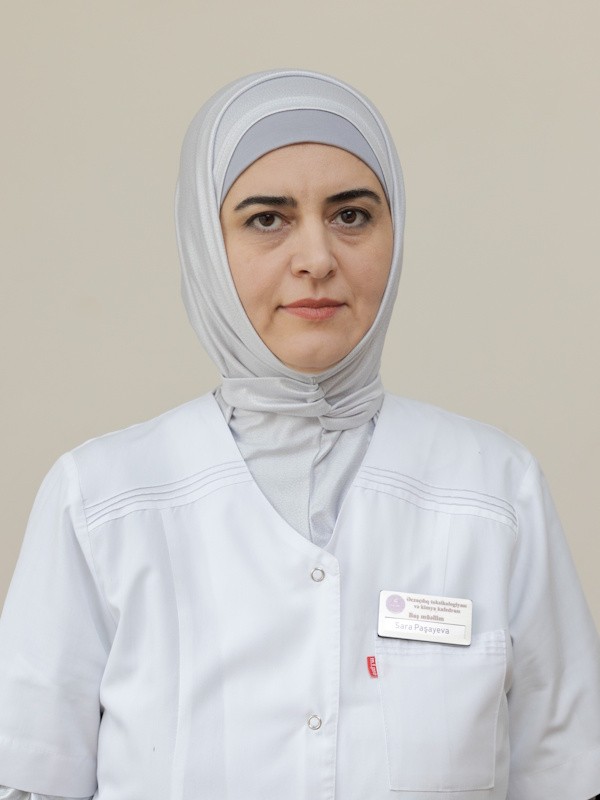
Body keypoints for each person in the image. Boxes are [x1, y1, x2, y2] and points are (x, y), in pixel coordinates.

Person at [0, 69, 599, 800]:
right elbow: (30, 778)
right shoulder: (100, 502)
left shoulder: (496, 491)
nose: (317, 258)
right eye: (266, 219)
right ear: (205, 243)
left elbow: (566, 774)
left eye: (351, 215)